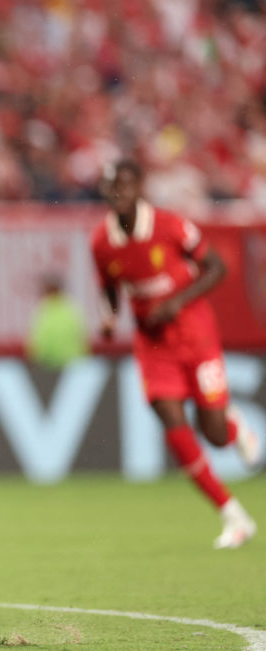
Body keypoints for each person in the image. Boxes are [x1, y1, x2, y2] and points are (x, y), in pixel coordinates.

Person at [91, 158, 262, 549]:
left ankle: (232, 425)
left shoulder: (170, 226)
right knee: (169, 416)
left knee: (215, 435)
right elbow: (108, 288)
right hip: (153, 346)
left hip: (195, 335)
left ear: (140, 188)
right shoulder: (101, 242)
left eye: (126, 184)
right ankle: (232, 513)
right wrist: (108, 318)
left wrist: (177, 302)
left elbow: (216, 268)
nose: (119, 192)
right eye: (112, 186)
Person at [25, 272, 89, 370]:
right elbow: (83, 340)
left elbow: (37, 343)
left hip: (54, 366)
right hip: (72, 365)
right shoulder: (71, 309)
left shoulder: (44, 311)